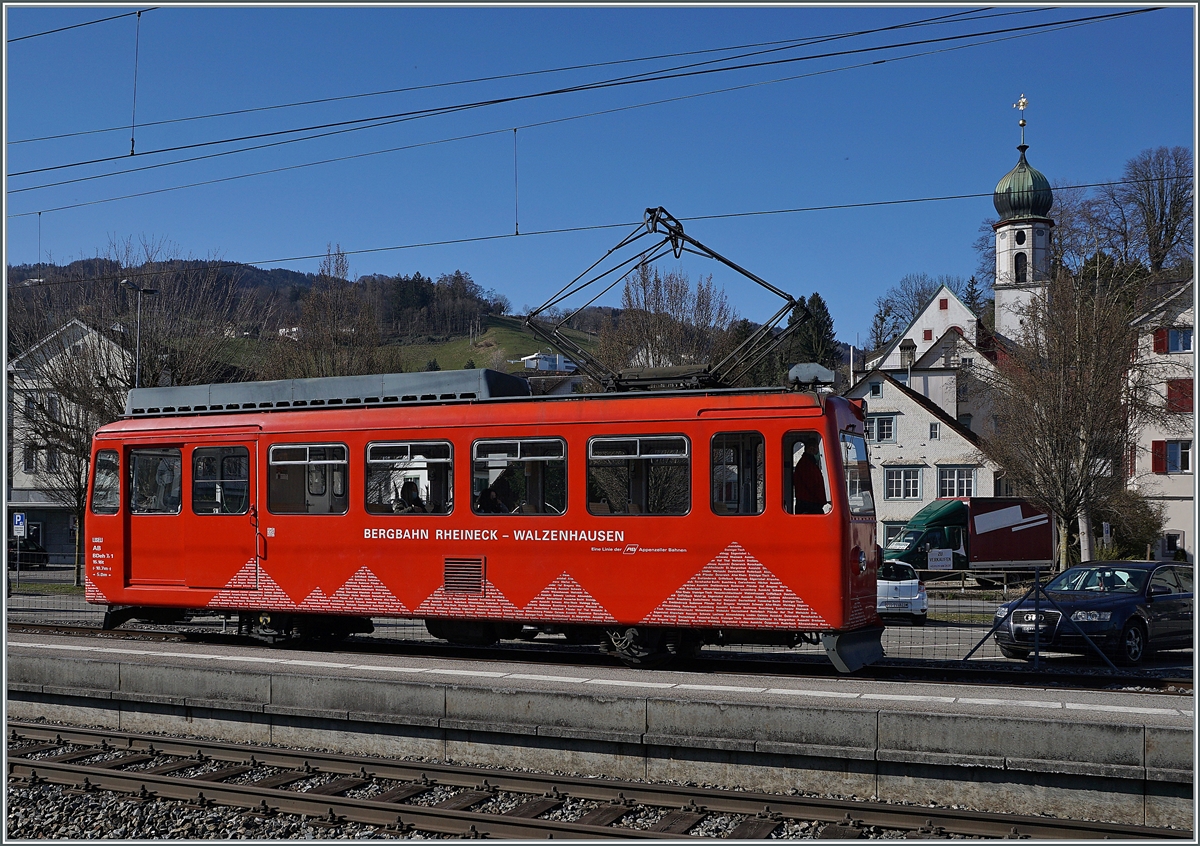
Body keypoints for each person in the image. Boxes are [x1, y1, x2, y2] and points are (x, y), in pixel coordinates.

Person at [792, 443, 828, 515]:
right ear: (811, 449)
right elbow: (813, 484)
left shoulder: (809, 463)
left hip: (810, 503)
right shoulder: (806, 465)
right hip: (809, 505)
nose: (818, 453)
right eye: (817, 449)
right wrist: (823, 499)